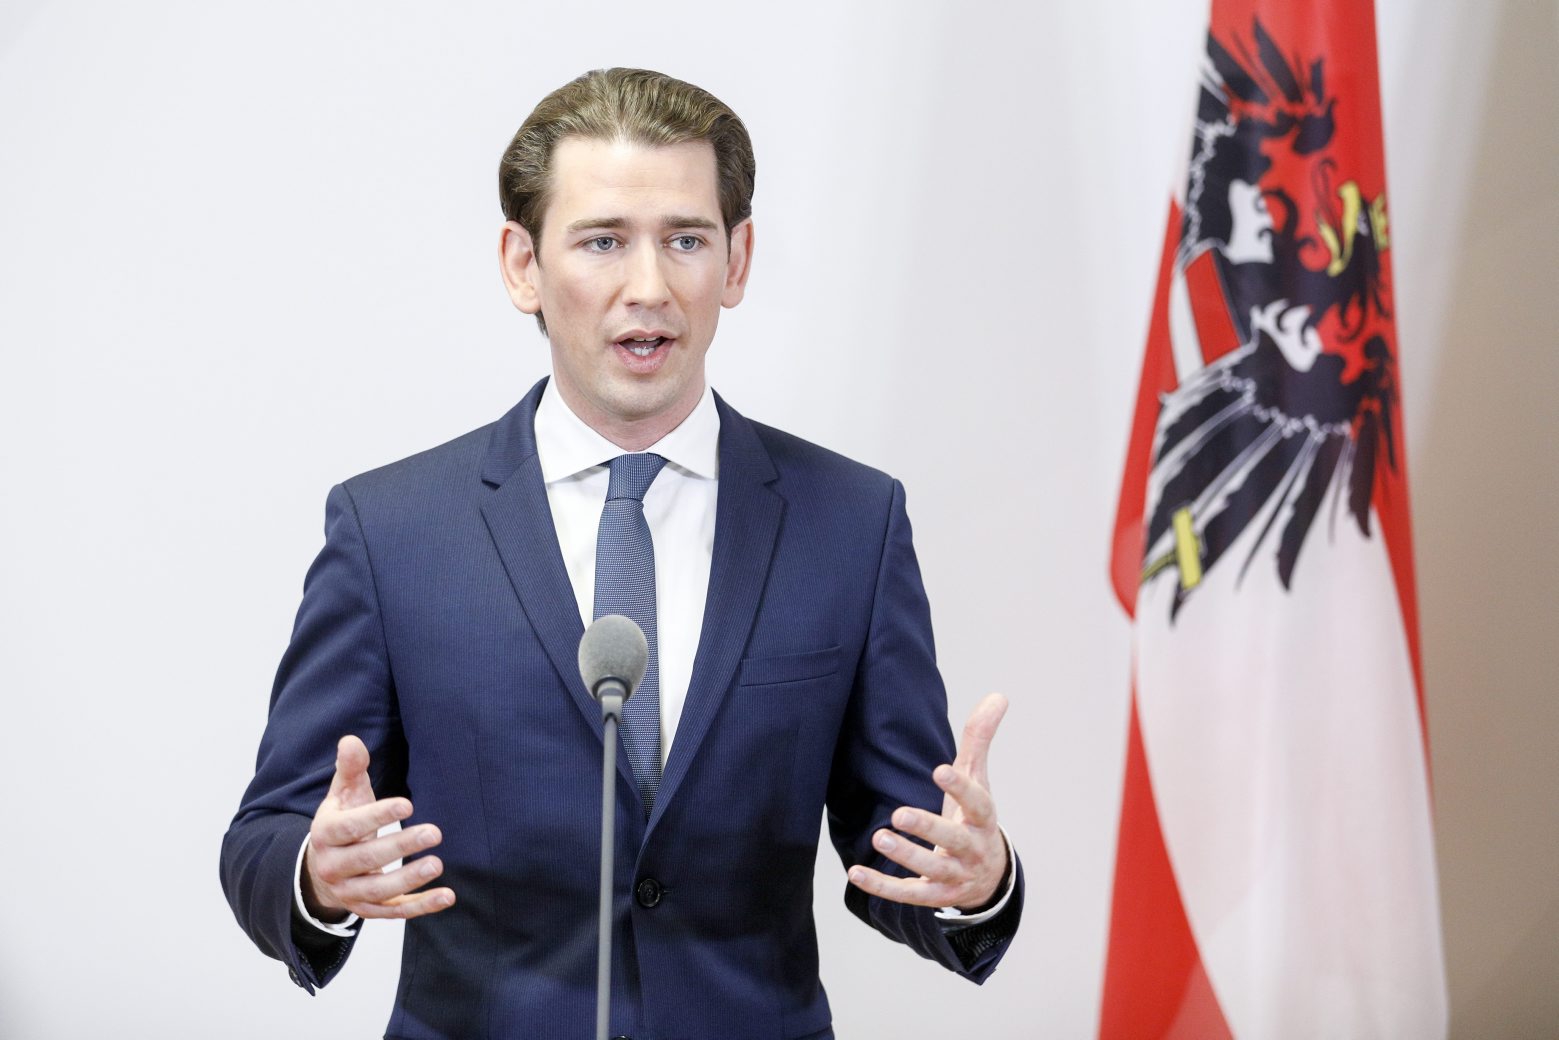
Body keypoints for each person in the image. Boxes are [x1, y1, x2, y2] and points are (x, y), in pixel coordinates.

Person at [221, 67, 1022, 1040]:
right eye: (602, 241)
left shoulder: (848, 522)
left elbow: (902, 850)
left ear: (736, 260)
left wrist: (972, 882)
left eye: (685, 239)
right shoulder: (392, 529)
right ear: (522, 264)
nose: (649, 286)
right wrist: (314, 873)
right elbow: (264, 837)